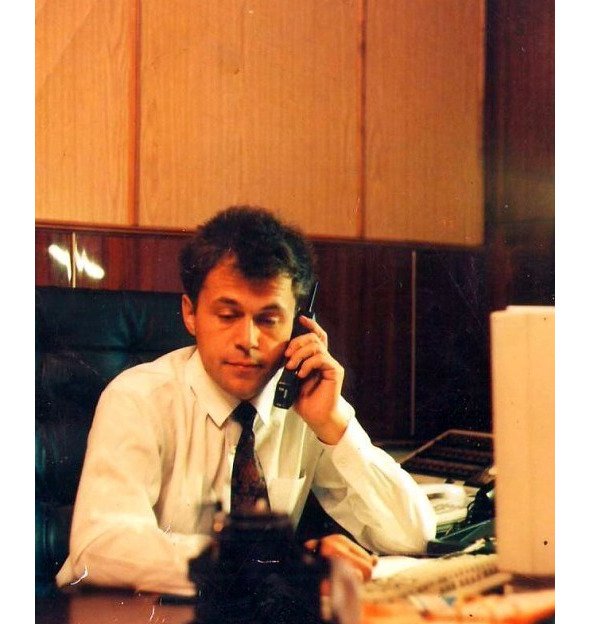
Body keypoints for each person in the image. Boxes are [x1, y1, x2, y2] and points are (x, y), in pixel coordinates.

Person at [56, 206, 436, 596]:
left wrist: (334, 425)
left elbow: (413, 535)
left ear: (299, 324)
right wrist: (274, 563)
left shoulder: (306, 404)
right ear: (190, 314)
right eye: (227, 315)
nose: (248, 340)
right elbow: (99, 547)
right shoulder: (138, 398)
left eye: (268, 320)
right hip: (125, 620)